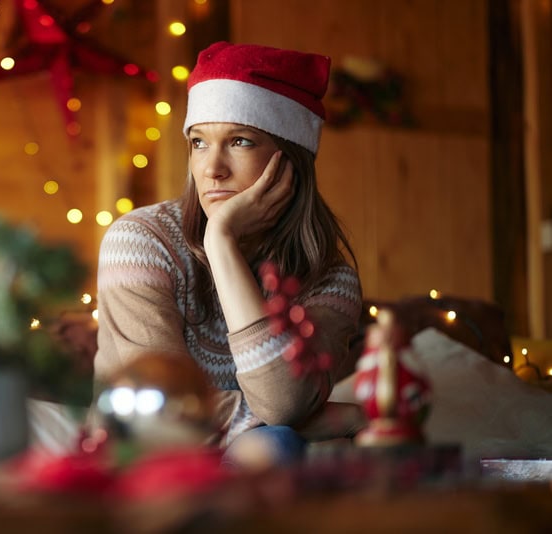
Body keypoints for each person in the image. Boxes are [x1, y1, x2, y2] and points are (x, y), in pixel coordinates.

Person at [94, 42, 365, 466]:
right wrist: (321, 422)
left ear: (290, 159)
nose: (211, 168)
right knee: (277, 444)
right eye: (199, 143)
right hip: (144, 457)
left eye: (239, 141)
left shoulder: (330, 281)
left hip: (256, 458)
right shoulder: (141, 242)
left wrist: (221, 244)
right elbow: (163, 404)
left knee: (279, 448)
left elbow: (282, 404)